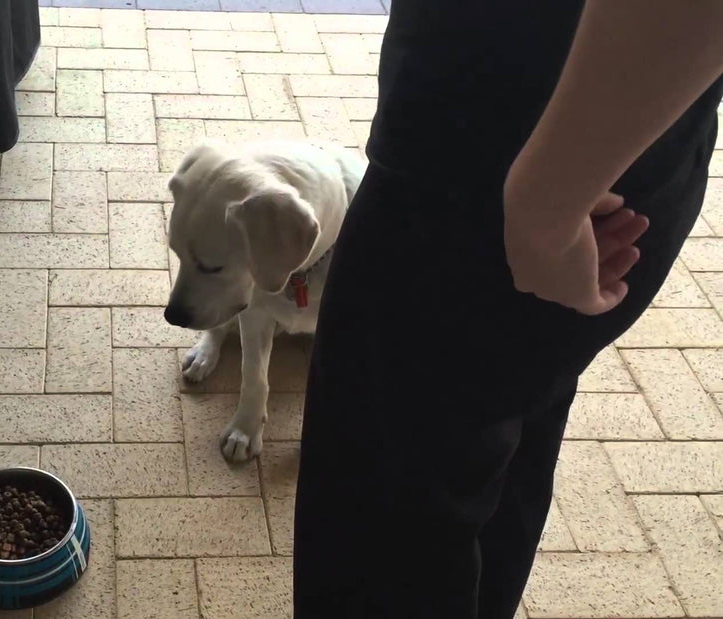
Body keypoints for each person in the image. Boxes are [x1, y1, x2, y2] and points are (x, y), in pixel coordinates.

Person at [293, 1, 723, 617]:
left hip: (491, 167)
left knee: (379, 540)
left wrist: (545, 208)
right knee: (486, 464)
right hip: (587, 139)